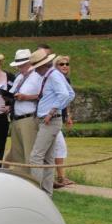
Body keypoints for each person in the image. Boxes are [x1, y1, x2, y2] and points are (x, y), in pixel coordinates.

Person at [29, 49, 75, 195]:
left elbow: (65, 95)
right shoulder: (55, 75)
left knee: (36, 157)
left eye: (36, 68)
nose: (35, 71)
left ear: (42, 66)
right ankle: (46, 193)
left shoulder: (53, 76)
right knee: (48, 159)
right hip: (50, 120)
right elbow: (70, 94)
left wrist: (52, 111)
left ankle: (35, 192)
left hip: (49, 121)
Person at [5, 48, 38, 178]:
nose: (20, 67)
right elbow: (13, 94)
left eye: (22, 64)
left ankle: (33, 180)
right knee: (17, 152)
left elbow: (43, 95)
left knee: (29, 152)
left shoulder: (37, 76)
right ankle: (21, 179)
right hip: (15, 117)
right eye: (19, 65)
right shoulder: (19, 77)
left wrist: (26, 97)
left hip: (29, 117)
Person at [52, 56, 76, 189]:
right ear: (56, 66)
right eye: (61, 64)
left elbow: (65, 99)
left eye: (67, 64)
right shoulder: (55, 79)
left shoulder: (65, 79)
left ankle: (60, 177)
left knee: (58, 148)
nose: (65, 66)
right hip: (51, 117)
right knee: (60, 147)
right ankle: (60, 177)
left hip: (58, 117)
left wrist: (68, 116)